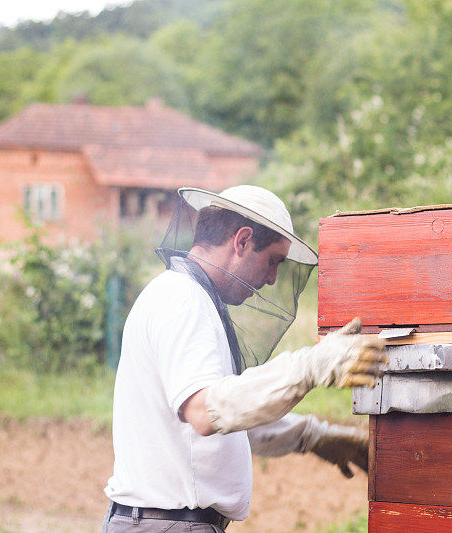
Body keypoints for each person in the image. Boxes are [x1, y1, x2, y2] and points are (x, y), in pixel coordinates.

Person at [102, 185, 386, 532]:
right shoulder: (182, 300)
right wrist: (308, 367)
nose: (271, 279)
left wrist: (313, 436)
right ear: (242, 241)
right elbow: (205, 412)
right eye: (273, 261)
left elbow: (226, 421)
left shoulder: (188, 297)